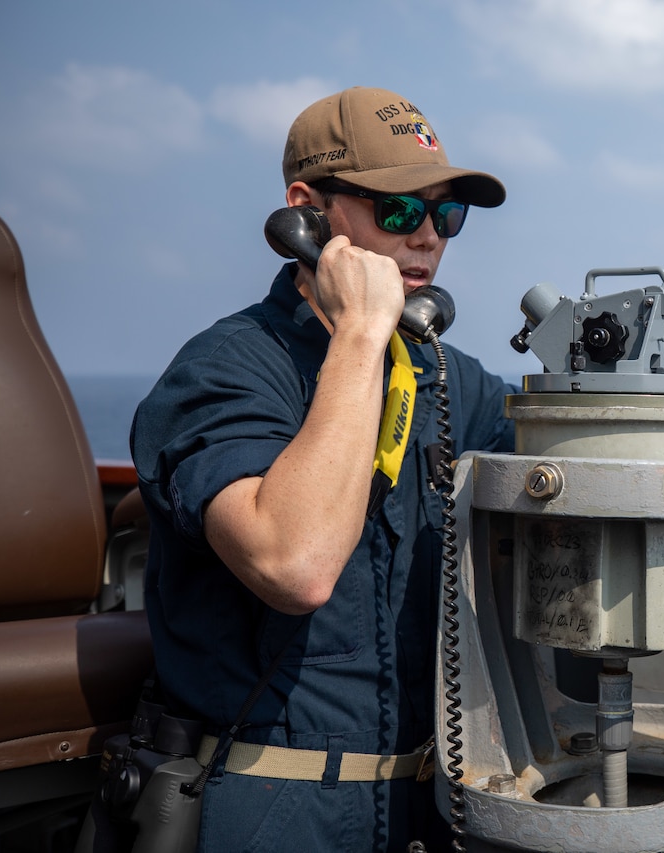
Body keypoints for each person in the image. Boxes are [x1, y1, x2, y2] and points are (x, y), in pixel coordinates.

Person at [130, 85, 515, 851]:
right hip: (271, 807)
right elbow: (294, 562)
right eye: (399, 211)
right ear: (307, 211)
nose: (428, 239)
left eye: (447, 215)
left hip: (424, 811)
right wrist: (360, 339)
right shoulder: (224, 371)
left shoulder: (453, 383)